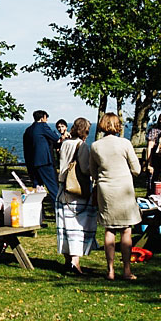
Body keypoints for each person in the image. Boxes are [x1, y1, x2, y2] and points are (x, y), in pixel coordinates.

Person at [90, 112, 141, 280]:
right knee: (126, 229)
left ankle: (110, 270)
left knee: (109, 228)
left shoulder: (96, 146)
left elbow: (92, 172)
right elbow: (137, 169)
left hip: (106, 188)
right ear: (117, 125)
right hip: (123, 188)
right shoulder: (124, 143)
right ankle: (126, 270)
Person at [55, 117, 97, 274]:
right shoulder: (82, 146)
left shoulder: (65, 143)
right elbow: (85, 169)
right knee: (77, 226)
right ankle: (75, 261)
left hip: (63, 188)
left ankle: (67, 260)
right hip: (77, 190)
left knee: (64, 226)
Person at [22, 110, 61, 205]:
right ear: (42, 117)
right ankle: (59, 209)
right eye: (46, 118)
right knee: (53, 188)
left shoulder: (28, 130)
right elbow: (56, 139)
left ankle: (37, 210)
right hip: (44, 162)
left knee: (36, 189)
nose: (46, 120)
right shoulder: (43, 126)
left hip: (32, 163)